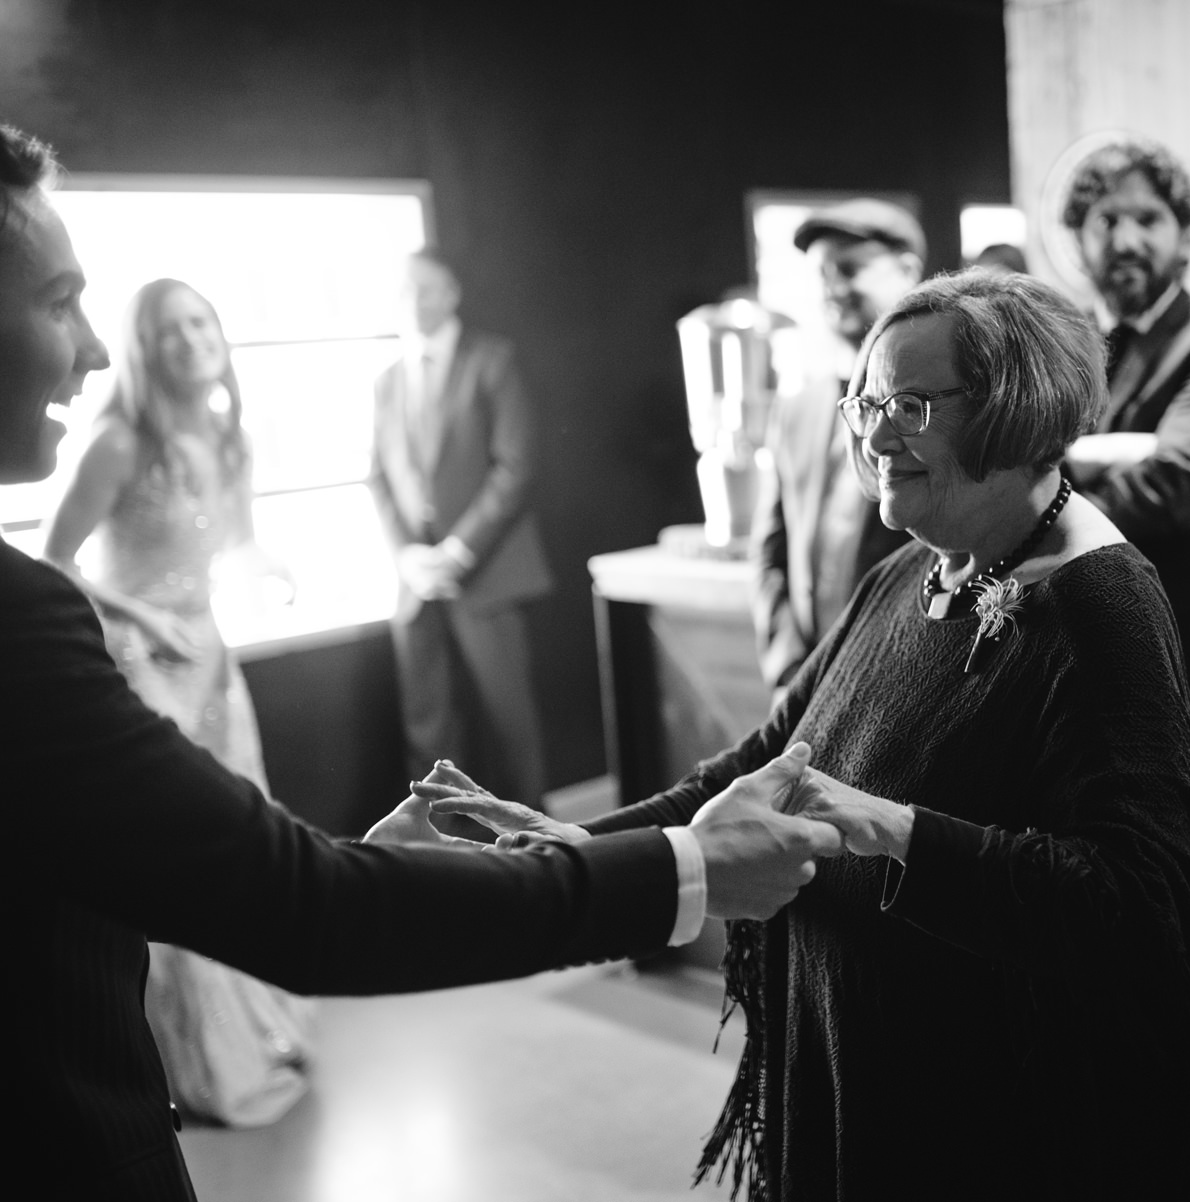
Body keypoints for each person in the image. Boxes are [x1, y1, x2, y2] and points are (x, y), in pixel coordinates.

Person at [0, 124, 841, 1201]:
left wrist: (367, 866)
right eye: (56, 298)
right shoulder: (18, 619)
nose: (94, 348)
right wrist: (691, 865)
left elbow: (117, 874)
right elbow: (307, 914)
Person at [437, 269, 1190, 1200]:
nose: (877, 435)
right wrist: (575, 847)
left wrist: (890, 827)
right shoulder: (910, 572)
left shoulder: (1102, 607)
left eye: (912, 404)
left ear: (1020, 408)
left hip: (1002, 1123)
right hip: (867, 1070)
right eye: (869, 401)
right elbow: (765, 759)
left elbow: (1134, 902)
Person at [43, 277, 316, 1127]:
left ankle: (257, 1023)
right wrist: (141, 613)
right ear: (143, 349)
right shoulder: (119, 442)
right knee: (180, 849)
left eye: (200, 321)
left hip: (210, 660)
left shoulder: (225, 435)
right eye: (169, 331)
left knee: (241, 833)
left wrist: (268, 565)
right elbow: (53, 561)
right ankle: (186, 1056)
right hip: (144, 665)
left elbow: (231, 538)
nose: (191, 339)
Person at [1061, 139, 1190, 825]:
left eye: (1147, 219)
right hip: (1068, 656)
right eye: (1105, 221)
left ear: (1184, 238)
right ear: (1078, 238)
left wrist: (1053, 473)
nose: (1125, 239)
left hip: (1187, 657)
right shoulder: (1061, 344)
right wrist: (1114, 451)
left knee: (1177, 887)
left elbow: (1173, 483)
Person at [370, 247, 551, 807]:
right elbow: (376, 477)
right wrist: (408, 557)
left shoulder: (492, 360)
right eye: (402, 290)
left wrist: (458, 551)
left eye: (423, 289)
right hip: (416, 581)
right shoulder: (388, 379)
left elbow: (515, 466)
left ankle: (541, 848)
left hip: (486, 571)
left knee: (509, 721)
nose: (409, 301)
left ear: (451, 295)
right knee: (428, 728)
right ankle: (442, 846)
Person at [752, 198, 917, 692]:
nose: (832, 289)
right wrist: (786, 669)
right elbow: (770, 550)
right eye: (822, 274)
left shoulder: (941, 405)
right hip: (807, 687)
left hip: (903, 681)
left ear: (907, 270)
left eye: (848, 269)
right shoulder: (797, 407)